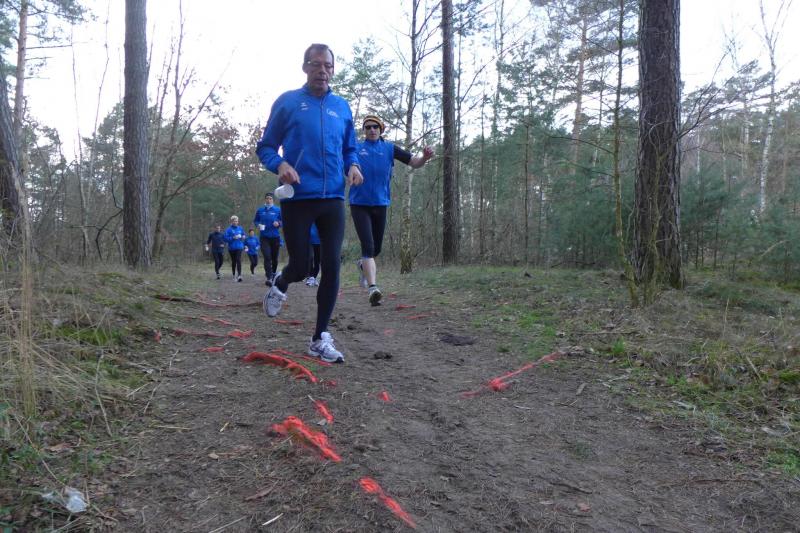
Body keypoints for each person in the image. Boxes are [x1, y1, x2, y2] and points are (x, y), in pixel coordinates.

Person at [256, 43, 363, 364]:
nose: (322, 71)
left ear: (333, 70)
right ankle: (281, 282)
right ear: (305, 67)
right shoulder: (288, 102)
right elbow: (265, 147)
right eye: (316, 64)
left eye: (327, 66)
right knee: (302, 266)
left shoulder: (341, 107)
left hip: (333, 198)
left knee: (331, 266)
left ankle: (319, 337)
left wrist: (353, 165)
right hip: (299, 197)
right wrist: (280, 165)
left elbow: (350, 148)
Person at [350, 114, 434, 305]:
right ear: (364, 130)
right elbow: (343, 162)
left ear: (381, 129)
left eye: (375, 127)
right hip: (359, 204)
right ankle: (373, 288)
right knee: (368, 246)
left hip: (380, 203)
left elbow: (414, 162)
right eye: (368, 127)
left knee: (376, 248)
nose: (372, 130)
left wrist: (425, 157)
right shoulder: (356, 148)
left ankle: (363, 265)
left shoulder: (389, 148)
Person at [253, 192, 282, 285]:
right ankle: (269, 277)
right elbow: (256, 221)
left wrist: (279, 223)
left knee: (274, 258)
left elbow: (283, 220)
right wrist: (258, 225)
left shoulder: (278, 210)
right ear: (265, 199)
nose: (268, 200)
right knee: (267, 257)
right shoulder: (260, 210)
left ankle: (273, 273)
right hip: (264, 237)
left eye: (270, 198)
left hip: (275, 237)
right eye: (267, 198)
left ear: (273, 200)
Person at [223, 215, 246, 282]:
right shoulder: (228, 229)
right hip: (232, 248)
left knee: (238, 260)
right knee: (234, 261)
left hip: (239, 247)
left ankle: (239, 275)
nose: (236, 222)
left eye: (237, 221)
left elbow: (244, 234)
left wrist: (243, 237)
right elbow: (225, 239)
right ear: (232, 221)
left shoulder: (240, 228)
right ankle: (234, 274)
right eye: (234, 221)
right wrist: (233, 238)